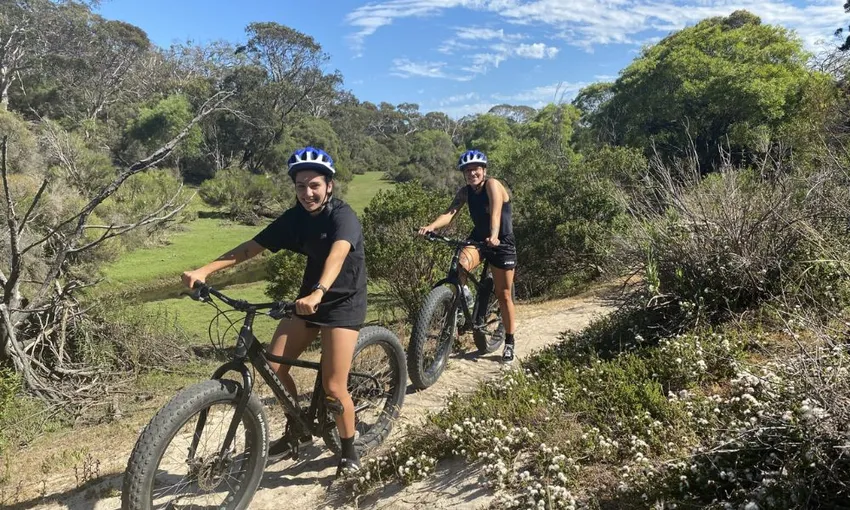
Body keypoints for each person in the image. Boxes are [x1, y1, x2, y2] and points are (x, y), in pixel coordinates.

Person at [181, 147, 365, 475]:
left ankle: (350, 450)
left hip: (341, 302)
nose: (307, 193)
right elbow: (252, 247)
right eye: (300, 186)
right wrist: (204, 271)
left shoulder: (343, 217)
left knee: (334, 387)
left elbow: (337, 255)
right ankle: (299, 428)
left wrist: (319, 292)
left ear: (330, 186)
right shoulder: (295, 218)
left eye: (315, 185)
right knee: (274, 365)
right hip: (307, 301)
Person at [417, 149, 517, 363]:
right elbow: (450, 213)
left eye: (476, 169)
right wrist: (431, 226)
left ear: (484, 170)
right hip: (479, 238)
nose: (472, 173)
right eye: (468, 170)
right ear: (464, 173)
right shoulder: (465, 192)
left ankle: (509, 341)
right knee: (460, 264)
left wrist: (494, 236)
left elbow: (496, 212)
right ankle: (463, 300)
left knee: (504, 294)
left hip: (501, 241)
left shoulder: (493, 185)